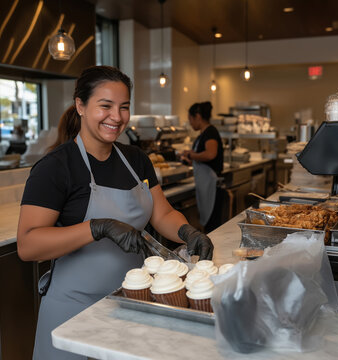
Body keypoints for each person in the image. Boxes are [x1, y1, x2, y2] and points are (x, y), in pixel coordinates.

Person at [17, 66, 214, 360]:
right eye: (105, 106)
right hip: (72, 311)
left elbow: (162, 214)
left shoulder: (136, 160)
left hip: (131, 304)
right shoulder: (55, 168)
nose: (117, 117)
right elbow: (28, 245)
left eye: (124, 107)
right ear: (81, 106)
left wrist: (187, 230)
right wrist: (97, 228)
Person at [181, 101, 224, 233]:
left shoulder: (210, 132)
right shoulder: (203, 134)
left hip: (212, 187)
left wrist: (191, 155)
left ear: (198, 117)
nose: (190, 123)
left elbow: (211, 154)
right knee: (209, 227)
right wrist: (190, 158)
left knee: (213, 228)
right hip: (206, 185)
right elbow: (203, 158)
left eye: (190, 120)